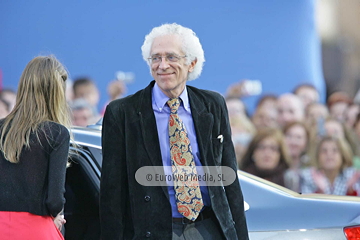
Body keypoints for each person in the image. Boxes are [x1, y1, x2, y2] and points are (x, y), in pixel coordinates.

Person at [100, 23, 249, 240]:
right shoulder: (123, 112)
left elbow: (229, 179)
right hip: (155, 231)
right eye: (155, 58)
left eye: (171, 57)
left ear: (192, 63)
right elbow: (111, 193)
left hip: (209, 228)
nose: (162, 65)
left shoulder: (212, 104)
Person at [0, 55, 72, 239]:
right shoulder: (56, 133)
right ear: (55, 92)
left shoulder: (1, 128)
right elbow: (55, 201)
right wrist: (56, 216)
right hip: (34, 229)